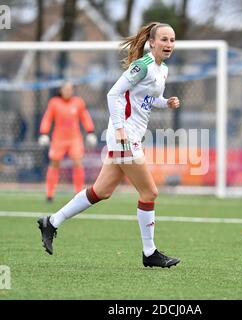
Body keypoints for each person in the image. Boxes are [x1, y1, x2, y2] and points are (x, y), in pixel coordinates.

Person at [37, 22, 181, 268]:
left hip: (130, 136)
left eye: (172, 40)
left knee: (100, 191)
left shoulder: (162, 70)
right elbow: (114, 94)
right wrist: (120, 128)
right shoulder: (141, 66)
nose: (169, 44)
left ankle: (51, 222)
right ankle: (150, 253)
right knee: (150, 192)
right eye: (164, 40)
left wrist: (165, 102)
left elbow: (147, 99)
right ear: (152, 42)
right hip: (125, 137)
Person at [38, 82, 97, 201]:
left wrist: (90, 131)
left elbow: (85, 117)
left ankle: (78, 193)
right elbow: (47, 118)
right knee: (54, 163)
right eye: (66, 89)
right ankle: (49, 194)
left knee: (77, 162)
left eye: (70, 89)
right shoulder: (54, 103)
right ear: (61, 90)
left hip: (74, 138)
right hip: (58, 139)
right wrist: (44, 133)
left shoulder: (78, 102)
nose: (68, 91)